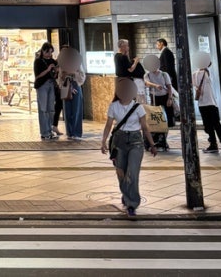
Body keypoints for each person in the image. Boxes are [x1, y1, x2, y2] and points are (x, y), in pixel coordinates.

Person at [100, 78, 159, 218]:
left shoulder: (138, 107)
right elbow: (109, 125)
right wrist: (103, 141)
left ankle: (132, 203)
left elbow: (144, 127)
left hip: (135, 141)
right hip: (118, 141)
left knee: (132, 172)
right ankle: (126, 195)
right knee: (121, 173)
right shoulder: (113, 106)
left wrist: (152, 144)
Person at [194, 61, 221, 154]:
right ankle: (216, 145)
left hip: (209, 104)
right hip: (206, 104)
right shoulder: (199, 73)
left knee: (213, 126)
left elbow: (199, 81)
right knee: (211, 126)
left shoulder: (205, 73)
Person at [57, 47, 86, 140]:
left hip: (76, 85)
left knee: (77, 110)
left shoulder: (77, 64)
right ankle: (69, 132)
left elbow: (82, 77)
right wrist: (64, 78)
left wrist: (74, 73)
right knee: (67, 110)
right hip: (66, 86)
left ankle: (76, 133)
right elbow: (59, 78)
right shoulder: (62, 65)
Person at [33, 42, 58, 140]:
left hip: (52, 85)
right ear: (43, 51)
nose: (49, 55)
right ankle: (44, 132)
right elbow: (37, 76)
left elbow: (56, 74)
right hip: (42, 86)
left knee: (51, 109)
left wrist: (56, 71)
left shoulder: (53, 61)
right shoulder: (38, 61)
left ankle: (50, 130)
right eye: (48, 52)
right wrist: (48, 70)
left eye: (51, 52)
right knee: (43, 109)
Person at [145, 56, 174, 128]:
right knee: (156, 115)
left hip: (165, 95)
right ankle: (159, 129)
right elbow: (147, 83)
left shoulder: (164, 74)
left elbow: (169, 86)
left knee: (169, 114)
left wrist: (170, 98)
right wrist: (156, 85)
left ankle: (168, 127)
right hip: (154, 97)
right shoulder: (147, 74)